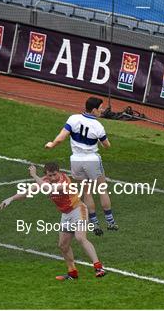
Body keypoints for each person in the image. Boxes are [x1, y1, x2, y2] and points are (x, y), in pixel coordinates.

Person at [0, 163, 106, 281]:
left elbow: (48, 189)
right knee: (63, 246)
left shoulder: (64, 181)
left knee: (80, 237)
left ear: (59, 172)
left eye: (55, 174)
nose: (53, 177)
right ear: (46, 175)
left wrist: (34, 175)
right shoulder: (44, 181)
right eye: (50, 175)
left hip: (77, 210)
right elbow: (27, 192)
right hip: (65, 215)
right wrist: (11, 199)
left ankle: (98, 267)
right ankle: (72, 273)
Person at [45, 97, 117, 236]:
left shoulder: (73, 119)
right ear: (94, 110)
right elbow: (107, 146)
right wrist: (101, 142)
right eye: (100, 108)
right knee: (102, 189)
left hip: (76, 160)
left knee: (86, 191)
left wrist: (52, 144)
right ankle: (110, 221)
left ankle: (94, 222)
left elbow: (61, 138)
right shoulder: (98, 126)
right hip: (92, 159)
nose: (102, 111)